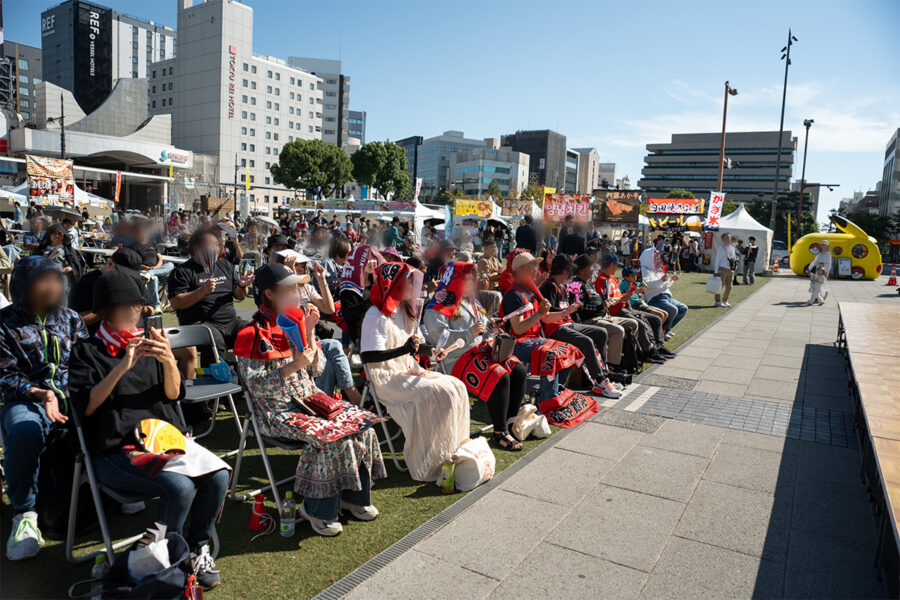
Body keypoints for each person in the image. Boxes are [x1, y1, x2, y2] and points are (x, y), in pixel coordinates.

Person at [68, 271, 228, 590]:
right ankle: (160, 561)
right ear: (105, 311)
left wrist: (169, 361)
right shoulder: (87, 351)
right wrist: (122, 366)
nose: (133, 313)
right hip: (115, 450)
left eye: (137, 306)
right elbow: (86, 407)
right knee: (180, 488)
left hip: (163, 440)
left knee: (219, 476)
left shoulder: (151, 342)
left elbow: (173, 394)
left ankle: (196, 548)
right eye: (124, 306)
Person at [235, 264, 386, 536]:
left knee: (362, 426)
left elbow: (316, 370)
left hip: (311, 402)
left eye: (297, 288)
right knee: (332, 437)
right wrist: (293, 365)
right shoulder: (251, 335)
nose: (297, 294)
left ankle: (353, 497)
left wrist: (310, 332)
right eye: (290, 289)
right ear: (269, 293)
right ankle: (316, 509)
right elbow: (257, 389)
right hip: (276, 412)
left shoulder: (295, 323)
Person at [0, 256, 88, 561]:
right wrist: (40, 394)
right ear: (22, 286)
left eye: (55, 280)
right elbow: (4, 375)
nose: (52, 287)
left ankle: (115, 485)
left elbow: (87, 361)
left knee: (112, 410)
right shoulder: (4, 323)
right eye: (43, 281)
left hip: (74, 396)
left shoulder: (70, 318)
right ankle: (24, 513)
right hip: (27, 399)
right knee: (24, 431)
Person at [360, 261, 471, 482]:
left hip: (408, 369)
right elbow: (368, 357)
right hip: (386, 377)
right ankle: (430, 460)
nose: (413, 287)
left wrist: (432, 351)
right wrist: (404, 349)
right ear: (394, 284)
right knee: (438, 392)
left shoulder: (405, 310)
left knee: (457, 386)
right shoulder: (375, 315)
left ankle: (452, 451)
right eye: (408, 282)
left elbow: (414, 347)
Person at [422, 262, 527, 450]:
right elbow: (438, 337)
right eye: (467, 280)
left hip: (481, 351)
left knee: (518, 370)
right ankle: (499, 433)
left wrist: (490, 325)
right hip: (456, 359)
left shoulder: (470, 300)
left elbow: (480, 326)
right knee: (499, 376)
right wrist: (468, 333)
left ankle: (509, 423)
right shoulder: (438, 303)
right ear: (455, 281)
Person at [500, 252, 583, 402]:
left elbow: (546, 317)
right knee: (551, 355)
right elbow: (518, 329)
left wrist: (566, 312)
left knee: (568, 349)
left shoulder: (529, 292)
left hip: (532, 340)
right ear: (520, 270)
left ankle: (555, 390)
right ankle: (548, 399)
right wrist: (539, 313)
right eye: (532, 266)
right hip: (515, 344)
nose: (537, 270)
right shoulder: (514, 295)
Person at [538, 255, 621, 398]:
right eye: (570, 269)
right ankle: (599, 381)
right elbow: (547, 312)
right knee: (586, 341)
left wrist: (575, 303)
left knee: (601, 333)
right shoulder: (549, 286)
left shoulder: (562, 285)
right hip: (555, 328)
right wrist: (568, 310)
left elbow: (568, 308)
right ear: (565, 270)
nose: (571, 273)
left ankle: (603, 375)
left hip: (568, 324)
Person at [167, 227, 254, 362]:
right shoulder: (182, 272)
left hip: (230, 322)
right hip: (200, 324)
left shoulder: (225, 266)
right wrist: (202, 291)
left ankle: (246, 372)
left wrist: (242, 286)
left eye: (217, 244)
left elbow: (240, 296)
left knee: (252, 332)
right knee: (213, 339)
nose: (216, 248)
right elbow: (175, 303)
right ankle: (214, 374)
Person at [596, 255, 672, 361]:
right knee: (640, 323)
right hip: (616, 311)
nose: (617, 268)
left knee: (656, 319)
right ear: (611, 265)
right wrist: (625, 296)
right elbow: (606, 302)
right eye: (616, 265)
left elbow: (628, 292)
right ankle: (648, 351)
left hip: (627, 308)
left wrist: (634, 292)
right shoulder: (602, 280)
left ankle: (658, 346)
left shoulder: (612, 278)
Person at [70, 247, 152, 333]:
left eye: (131, 274)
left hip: (133, 334)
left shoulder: (135, 280)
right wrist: (107, 310)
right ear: (110, 263)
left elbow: (151, 309)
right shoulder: (84, 283)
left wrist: (135, 308)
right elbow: (75, 322)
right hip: (99, 338)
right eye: (122, 272)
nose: (126, 277)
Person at [640, 246, 688, 338]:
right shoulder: (643, 269)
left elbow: (665, 284)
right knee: (673, 310)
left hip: (666, 295)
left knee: (683, 308)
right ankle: (664, 331)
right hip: (655, 298)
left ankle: (665, 330)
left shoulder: (658, 268)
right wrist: (661, 280)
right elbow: (646, 284)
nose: (657, 257)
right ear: (648, 256)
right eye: (655, 255)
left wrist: (671, 280)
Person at [131, 221, 175, 310]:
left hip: (156, 270)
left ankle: (151, 273)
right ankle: (156, 306)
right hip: (143, 271)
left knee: (171, 265)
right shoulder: (134, 246)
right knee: (154, 278)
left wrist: (156, 267)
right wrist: (146, 268)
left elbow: (160, 257)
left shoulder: (152, 243)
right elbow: (135, 263)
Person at [38, 224, 85, 304]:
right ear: (49, 235)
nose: (57, 236)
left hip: (61, 275)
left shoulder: (68, 250)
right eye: (54, 233)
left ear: (63, 236)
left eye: (59, 234)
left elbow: (76, 266)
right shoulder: (41, 249)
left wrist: (69, 268)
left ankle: (62, 309)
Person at [712, 232, 736, 307]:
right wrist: (716, 271)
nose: (729, 239)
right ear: (723, 239)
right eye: (727, 237)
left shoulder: (732, 247)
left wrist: (734, 268)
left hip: (730, 269)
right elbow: (717, 260)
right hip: (722, 268)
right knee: (720, 285)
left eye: (730, 237)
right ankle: (717, 301)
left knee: (729, 286)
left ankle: (725, 300)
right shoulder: (721, 248)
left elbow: (734, 258)